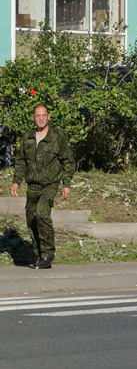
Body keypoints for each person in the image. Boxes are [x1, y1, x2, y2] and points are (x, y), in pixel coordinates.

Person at [9, 103, 75, 270]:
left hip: (50, 184)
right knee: (31, 219)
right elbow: (21, 161)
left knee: (42, 215)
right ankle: (39, 256)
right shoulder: (28, 137)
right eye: (37, 115)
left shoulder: (56, 137)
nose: (40, 118)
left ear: (48, 116)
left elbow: (68, 161)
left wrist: (66, 184)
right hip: (33, 185)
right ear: (33, 118)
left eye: (43, 115)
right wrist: (16, 181)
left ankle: (47, 254)